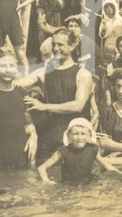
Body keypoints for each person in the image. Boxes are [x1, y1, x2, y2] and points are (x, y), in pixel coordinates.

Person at [23, 29, 94, 164]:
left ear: (72, 46)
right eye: (54, 44)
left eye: (60, 45)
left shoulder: (83, 74)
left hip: (75, 139)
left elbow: (78, 105)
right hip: (48, 138)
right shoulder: (43, 72)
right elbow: (17, 86)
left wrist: (44, 107)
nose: (56, 48)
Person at [0, 55, 38, 169]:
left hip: (20, 156)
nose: (8, 70)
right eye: (3, 66)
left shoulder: (21, 92)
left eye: (11, 66)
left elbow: (27, 119)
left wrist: (34, 135)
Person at [38, 118, 122, 185]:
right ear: (68, 136)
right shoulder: (63, 151)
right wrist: (46, 181)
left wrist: (120, 173)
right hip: (69, 185)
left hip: (89, 183)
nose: (79, 137)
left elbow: (105, 164)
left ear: (89, 135)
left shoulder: (92, 149)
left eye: (83, 134)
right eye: (75, 134)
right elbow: (42, 168)